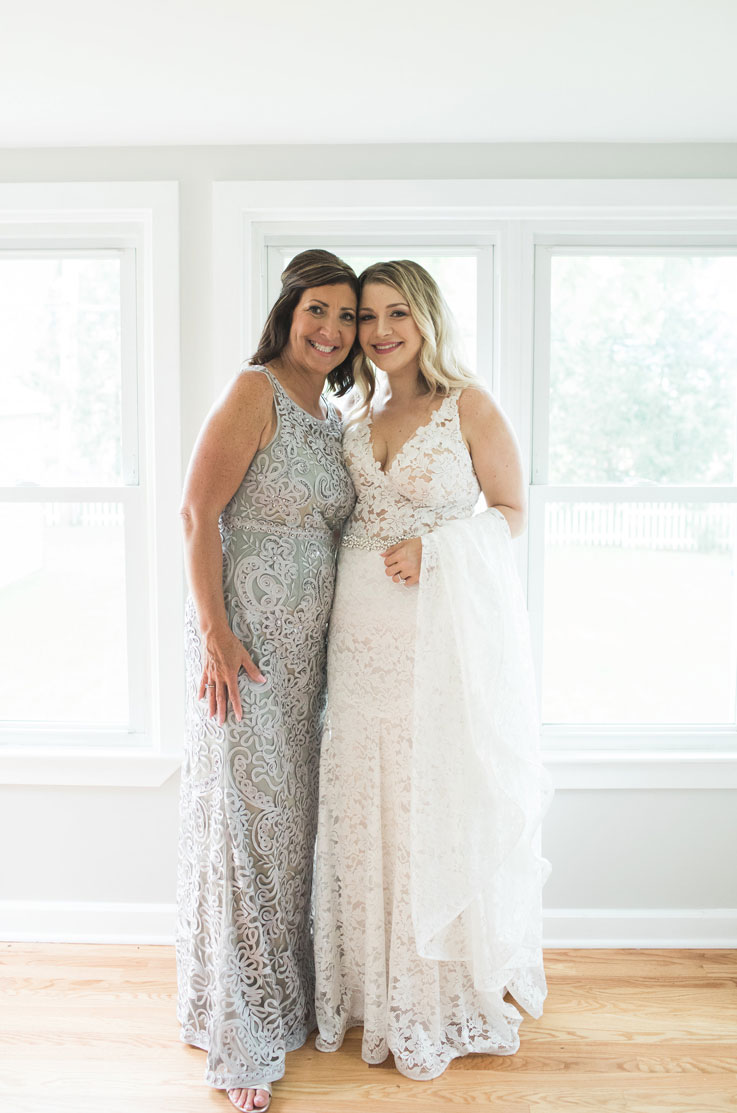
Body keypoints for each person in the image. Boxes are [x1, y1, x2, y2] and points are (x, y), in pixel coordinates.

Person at [312, 260, 554, 1080]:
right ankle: (370, 989)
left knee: (427, 799)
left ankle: (436, 994)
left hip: (435, 640)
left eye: (395, 314)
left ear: (425, 317)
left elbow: (514, 513)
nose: (380, 330)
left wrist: (438, 549)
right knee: (363, 798)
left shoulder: (468, 406)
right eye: (368, 317)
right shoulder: (351, 412)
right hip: (356, 639)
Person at [176, 250, 358, 1112]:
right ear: (288, 313)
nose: (331, 329)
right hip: (243, 644)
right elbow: (197, 511)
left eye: (347, 317)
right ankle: (242, 1039)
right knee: (250, 821)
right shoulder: (255, 390)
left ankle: (270, 994)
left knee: (292, 828)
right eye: (317, 310)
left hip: (313, 656)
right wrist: (215, 632)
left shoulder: (333, 415)